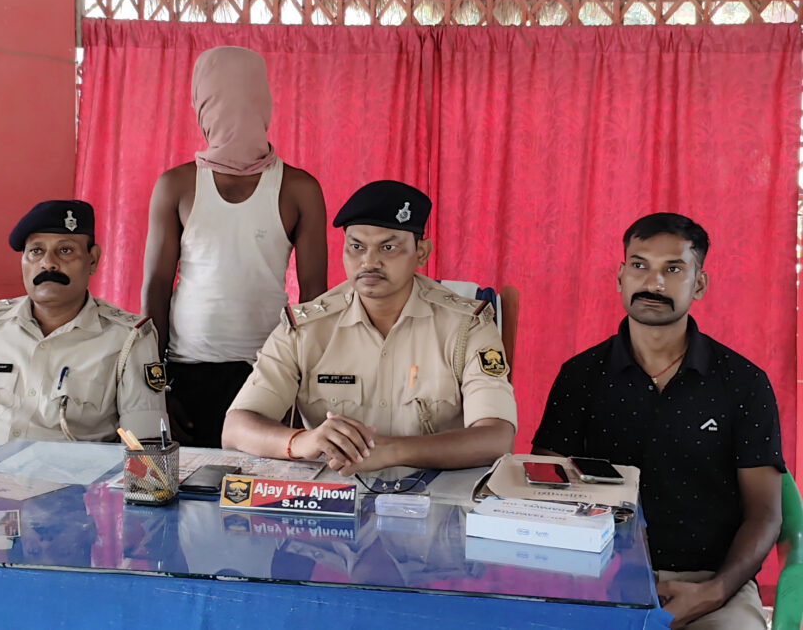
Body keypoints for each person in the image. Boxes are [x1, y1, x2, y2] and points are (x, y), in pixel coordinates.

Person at [532, 213, 783, 630]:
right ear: (620, 277)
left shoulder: (743, 382)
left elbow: (766, 514)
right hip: (598, 579)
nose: (654, 283)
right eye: (639, 265)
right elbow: (544, 489)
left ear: (699, 284)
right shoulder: (580, 376)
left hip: (711, 584)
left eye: (673, 269)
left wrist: (716, 590)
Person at [221, 180, 516, 474]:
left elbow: (496, 438)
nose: (369, 261)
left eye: (388, 247)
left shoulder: (467, 326)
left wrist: (393, 451)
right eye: (356, 247)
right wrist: (302, 441)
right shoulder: (305, 328)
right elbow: (235, 428)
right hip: (335, 493)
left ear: (421, 252)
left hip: (436, 493)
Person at [142, 45, 328, 448]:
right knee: (190, 483)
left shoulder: (298, 188)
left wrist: (302, 383)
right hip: (186, 370)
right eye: (218, 97)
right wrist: (155, 388)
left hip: (268, 371)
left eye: (245, 95)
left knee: (257, 484)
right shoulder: (176, 185)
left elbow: (315, 299)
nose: (233, 108)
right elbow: (156, 288)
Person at [0, 200, 167, 488]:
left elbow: (145, 448)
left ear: (93, 259)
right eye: (36, 251)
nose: (48, 263)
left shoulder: (128, 339)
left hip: (68, 505)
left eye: (65, 250)